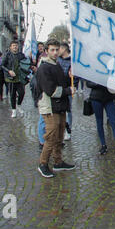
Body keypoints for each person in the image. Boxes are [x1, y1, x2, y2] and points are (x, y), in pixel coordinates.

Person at [36, 39, 76, 178]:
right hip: (50, 107)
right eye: (52, 50)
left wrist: (69, 77)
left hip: (60, 106)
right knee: (51, 137)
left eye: (56, 49)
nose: (55, 52)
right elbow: (51, 90)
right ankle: (43, 164)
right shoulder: (44, 68)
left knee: (59, 135)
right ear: (46, 51)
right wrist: (68, 90)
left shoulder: (57, 65)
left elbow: (62, 82)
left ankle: (58, 162)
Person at [86, 80, 115, 157]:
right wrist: (100, 83)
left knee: (114, 122)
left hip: (109, 98)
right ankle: (103, 145)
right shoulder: (93, 70)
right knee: (99, 122)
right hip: (96, 98)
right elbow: (88, 83)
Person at [1, 41, 26, 118]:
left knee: (22, 93)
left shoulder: (21, 55)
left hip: (19, 78)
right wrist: (9, 71)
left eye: (16, 45)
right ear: (10, 47)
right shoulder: (7, 55)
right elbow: (2, 65)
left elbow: (26, 63)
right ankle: (13, 110)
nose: (15, 47)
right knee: (12, 94)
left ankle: (18, 105)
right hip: (11, 78)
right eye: (13, 45)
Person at [57, 42, 73, 141]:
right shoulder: (57, 60)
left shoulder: (72, 61)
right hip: (58, 88)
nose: (57, 51)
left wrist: (72, 78)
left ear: (64, 49)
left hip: (68, 88)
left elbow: (75, 77)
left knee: (68, 110)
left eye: (59, 49)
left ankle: (68, 129)